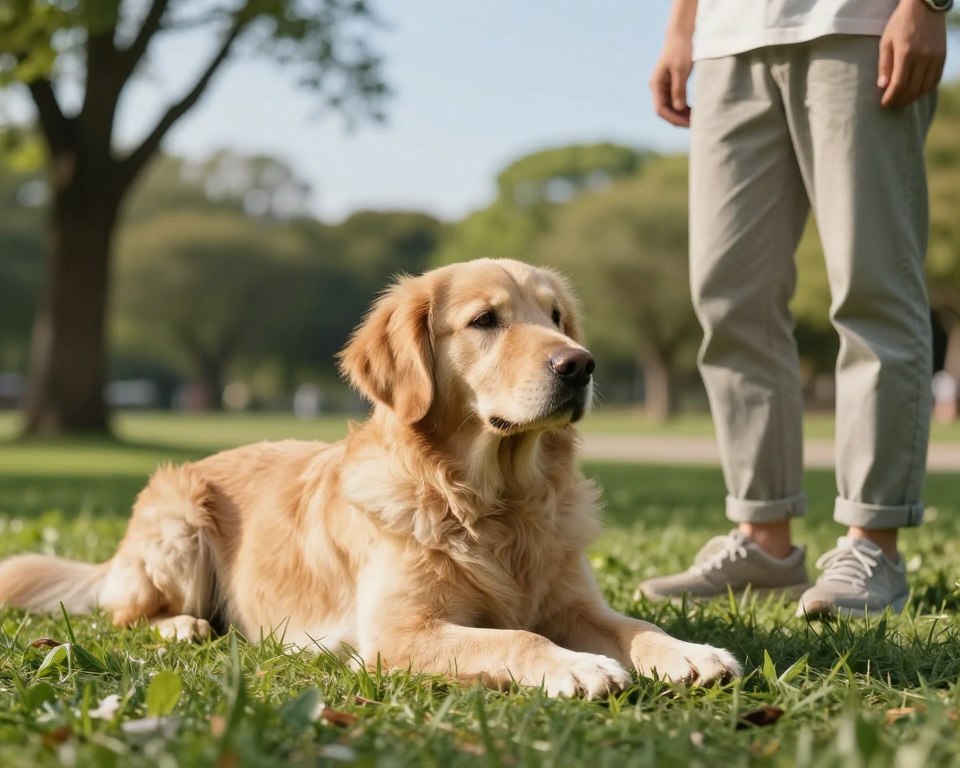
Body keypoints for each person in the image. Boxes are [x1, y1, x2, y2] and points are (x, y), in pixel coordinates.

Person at [635, 0, 949, 617]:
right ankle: (764, 543)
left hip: (857, 26)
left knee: (872, 288)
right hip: (727, 42)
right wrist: (681, 28)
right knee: (730, 300)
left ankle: (874, 544)